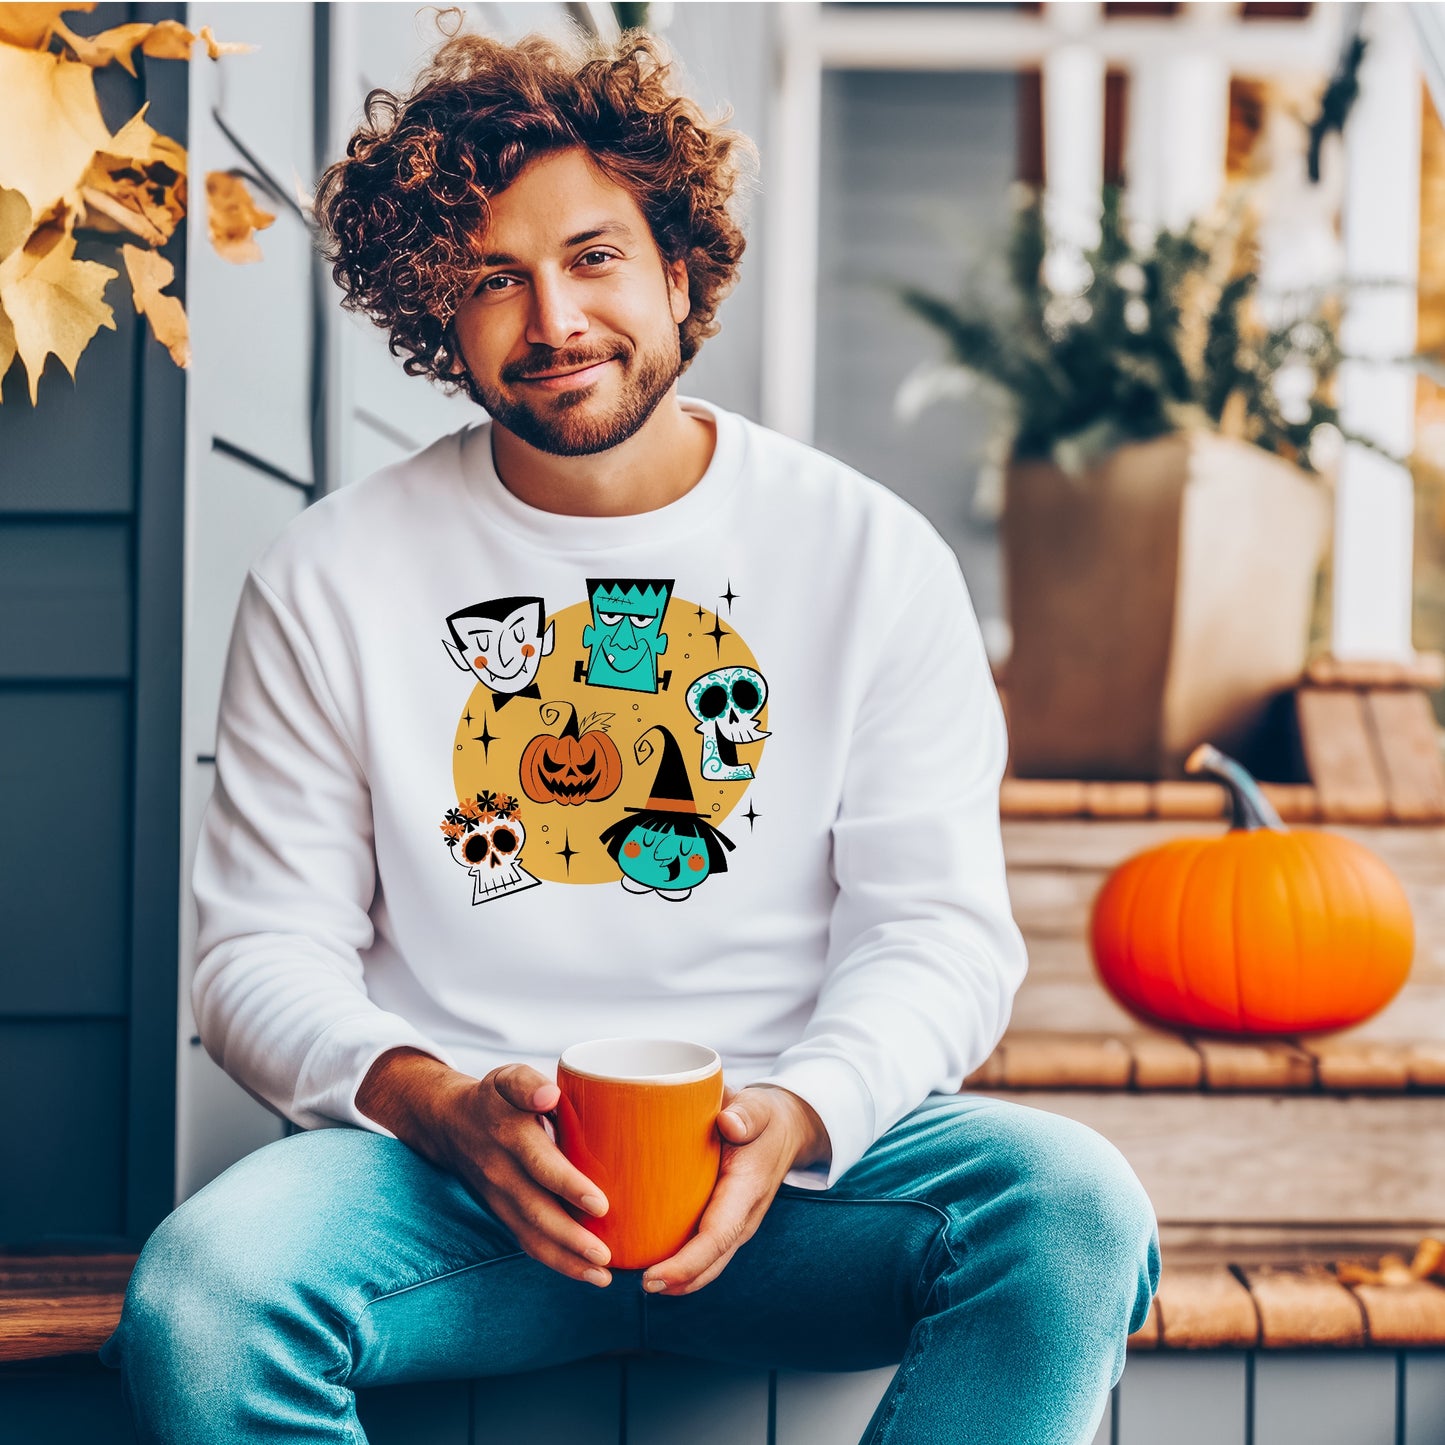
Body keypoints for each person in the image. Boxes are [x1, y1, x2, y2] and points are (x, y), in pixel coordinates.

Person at [100, 22, 1160, 1444]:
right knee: (208, 1297)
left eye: (592, 256)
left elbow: (941, 934)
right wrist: (437, 1104)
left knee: (1073, 1211)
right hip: (450, 1192)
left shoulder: (867, 556)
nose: (552, 322)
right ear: (436, 315)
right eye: (492, 279)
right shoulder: (330, 575)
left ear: (677, 265)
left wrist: (801, 1111)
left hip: (795, 1191)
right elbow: (254, 953)